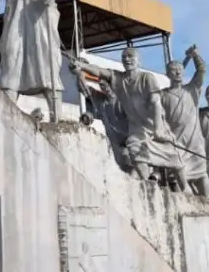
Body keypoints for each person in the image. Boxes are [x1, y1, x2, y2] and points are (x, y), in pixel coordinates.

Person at [70, 47, 183, 181]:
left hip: (153, 126)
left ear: (139, 60)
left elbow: (156, 103)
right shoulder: (104, 99)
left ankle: (181, 184)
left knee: (174, 158)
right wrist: (80, 69)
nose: (127, 59)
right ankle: (146, 183)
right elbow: (90, 84)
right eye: (124, 57)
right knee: (135, 152)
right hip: (128, 136)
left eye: (130, 56)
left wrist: (158, 127)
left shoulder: (144, 80)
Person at [158, 48, 209, 195]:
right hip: (177, 142)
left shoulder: (192, 89)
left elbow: (202, 69)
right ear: (168, 74)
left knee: (202, 174)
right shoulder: (162, 95)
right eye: (174, 70)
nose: (178, 72)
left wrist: (195, 55)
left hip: (195, 141)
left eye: (180, 69)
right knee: (177, 177)